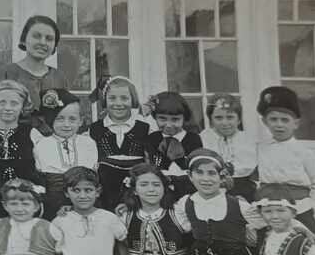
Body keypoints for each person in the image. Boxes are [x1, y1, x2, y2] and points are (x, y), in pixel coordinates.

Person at [255, 86, 315, 237]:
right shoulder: (259, 149)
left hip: (299, 208)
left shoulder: (304, 152)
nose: (279, 125)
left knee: (305, 245)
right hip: (269, 209)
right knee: (269, 245)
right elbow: (254, 178)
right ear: (264, 121)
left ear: (295, 123)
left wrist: (310, 205)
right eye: (273, 119)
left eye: (285, 120)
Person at [0, 15, 71, 136]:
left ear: (54, 46)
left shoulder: (59, 77)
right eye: (36, 36)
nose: (42, 42)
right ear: (24, 39)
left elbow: (65, 116)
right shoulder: (5, 73)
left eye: (49, 39)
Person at [0, 79, 44, 219]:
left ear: (23, 106)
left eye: (14, 103)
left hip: (26, 199)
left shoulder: (33, 134)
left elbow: (41, 169)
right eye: (2, 102)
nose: (8, 108)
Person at [33, 88, 97, 220]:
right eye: (60, 119)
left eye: (72, 119)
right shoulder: (42, 145)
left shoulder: (88, 144)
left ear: (81, 121)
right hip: (53, 204)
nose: (66, 124)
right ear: (50, 120)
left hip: (84, 202)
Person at [88, 76, 149, 211]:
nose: (118, 103)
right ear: (105, 100)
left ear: (132, 99)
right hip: (104, 196)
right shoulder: (95, 129)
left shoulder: (145, 128)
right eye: (112, 98)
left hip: (138, 195)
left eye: (124, 98)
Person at [143, 91, 203, 201]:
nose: (169, 125)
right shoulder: (152, 139)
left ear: (184, 118)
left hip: (189, 192)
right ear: (155, 117)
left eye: (175, 119)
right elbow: (151, 166)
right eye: (162, 118)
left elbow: (197, 170)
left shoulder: (193, 139)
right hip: (158, 193)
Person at [200, 93, 258, 202]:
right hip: (210, 186)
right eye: (218, 118)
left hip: (243, 187)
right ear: (211, 120)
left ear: (239, 120)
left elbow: (252, 169)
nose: (224, 122)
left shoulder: (247, 140)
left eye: (230, 117)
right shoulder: (204, 139)